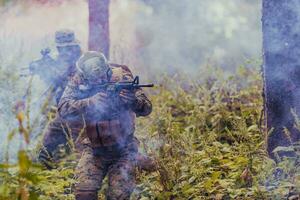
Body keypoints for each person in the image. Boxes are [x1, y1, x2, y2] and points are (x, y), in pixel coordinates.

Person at [58, 51, 152, 200]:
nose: (100, 80)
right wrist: (89, 102)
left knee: (117, 196)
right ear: (85, 76)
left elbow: (147, 108)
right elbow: (63, 108)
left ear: (107, 69)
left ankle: (142, 161)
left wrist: (133, 101)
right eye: (95, 79)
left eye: (103, 76)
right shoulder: (78, 81)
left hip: (124, 149)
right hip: (95, 149)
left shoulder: (122, 77)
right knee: (84, 193)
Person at [37, 30, 83, 169]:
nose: (63, 51)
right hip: (63, 113)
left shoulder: (82, 62)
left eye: (67, 47)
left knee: (83, 155)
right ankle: (49, 182)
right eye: (61, 48)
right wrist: (44, 69)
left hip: (81, 115)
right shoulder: (60, 61)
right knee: (44, 152)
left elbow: (71, 82)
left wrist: (52, 69)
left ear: (73, 46)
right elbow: (53, 83)